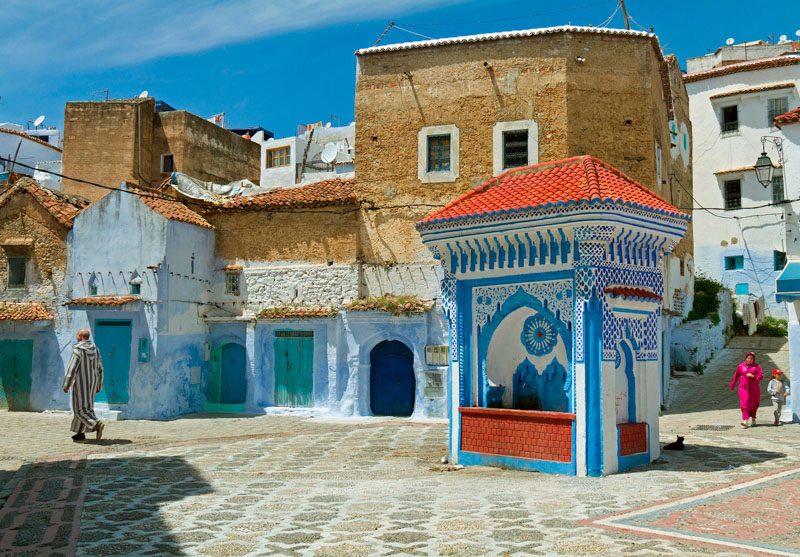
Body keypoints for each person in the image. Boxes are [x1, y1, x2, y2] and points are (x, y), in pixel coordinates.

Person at [62, 329, 105, 443]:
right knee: (87, 407)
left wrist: (66, 384)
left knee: (79, 409)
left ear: (80, 337)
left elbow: (72, 369)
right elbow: (100, 368)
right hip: (92, 384)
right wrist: (99, 385)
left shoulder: (78, 350)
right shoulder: (96, 350)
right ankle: (80, 433)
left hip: (80, 384)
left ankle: (96, 424)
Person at [730, 351, 763, 427]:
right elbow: (736, 376)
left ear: (753, 359)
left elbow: (761, 376)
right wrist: (732, 385)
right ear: (746, 358)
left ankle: (753, 418)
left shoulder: (757, 366)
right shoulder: (741, 366)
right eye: (748, 358)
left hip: (754, 388)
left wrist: (753, 376)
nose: (749, 360)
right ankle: (745, 420)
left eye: (751, 358)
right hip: (743, 388)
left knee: (754, 403)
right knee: (744, 403)